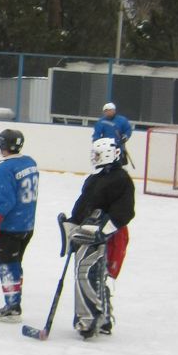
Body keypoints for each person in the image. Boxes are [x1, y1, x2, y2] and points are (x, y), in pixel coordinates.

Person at [60, 137, 136, 339]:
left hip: (112, 236)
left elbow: (125, 212)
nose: (94, 158)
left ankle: (94, 317)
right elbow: (83, 204)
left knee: (94, 272)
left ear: (109, 154)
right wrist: (72, 223)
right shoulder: (95, 178)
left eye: (97, 154)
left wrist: (104, 229)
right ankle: (100, 316)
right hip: (89, 234)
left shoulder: (121, 179)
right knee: (90, 271)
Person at [0, 128, 40, 323]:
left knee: (7, 264)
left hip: (11, 226)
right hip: (27, 225)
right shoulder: (30, 163)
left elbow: (4, 201)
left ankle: (13, 307)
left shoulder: (4, 168)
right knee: (15, 263)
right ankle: (14, 301)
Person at [92, 102, 133, 166]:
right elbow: (96, 134)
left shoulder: (122, 120)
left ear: (114, 110)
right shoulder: (101, 122)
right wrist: (96, 142)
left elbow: (128, 130)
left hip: (118, 147)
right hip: (105, 148)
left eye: (110, 110)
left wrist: (125, 136)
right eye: (106, 111)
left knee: (118, 165)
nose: (109, 112)